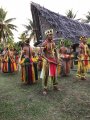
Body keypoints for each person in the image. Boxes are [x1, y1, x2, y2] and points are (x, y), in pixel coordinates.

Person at [40, 29, 60, 95]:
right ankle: (45, 88)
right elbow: (41, 53)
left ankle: (55, 86)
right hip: (47, 61)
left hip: (53, 60)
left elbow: (56, 52)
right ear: (47, 36)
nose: (51, 36)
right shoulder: (44, 43)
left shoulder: (53, 43)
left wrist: (57, 59)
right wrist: (47, 59)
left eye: (52, 35)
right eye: (50, 35)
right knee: (46, 74)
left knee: (54, 74)